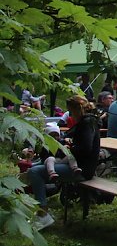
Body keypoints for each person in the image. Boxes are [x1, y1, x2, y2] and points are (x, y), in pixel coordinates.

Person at [28, 95, 100, 230]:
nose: (70, 115)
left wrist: (70, 147)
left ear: (76, 109)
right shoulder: (86, 122)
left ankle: (43, 214)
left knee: (35, 172)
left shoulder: (87, 123)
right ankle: (41, 212)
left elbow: (86, 148)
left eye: (71, 112)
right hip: (75, 164)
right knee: (35, 166)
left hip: (82, 169)